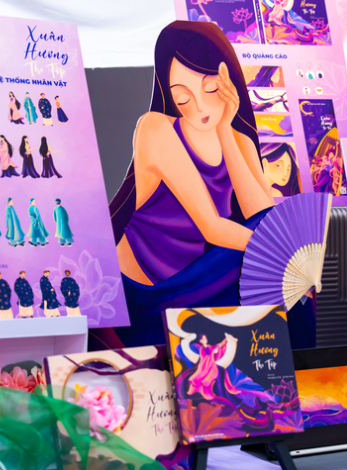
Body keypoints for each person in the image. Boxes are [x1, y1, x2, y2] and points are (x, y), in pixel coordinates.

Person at [100, 20, 275, 347]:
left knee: (276, 276)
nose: (199, 107)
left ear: (230, 82)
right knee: (265, 261)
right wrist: (281, 256)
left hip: (195, 283)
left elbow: (264, 219)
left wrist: (226, 132)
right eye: (182, 98)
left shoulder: (238, 140)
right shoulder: (156, 128)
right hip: (144, 293)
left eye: (210, 90)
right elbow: (212, 227)